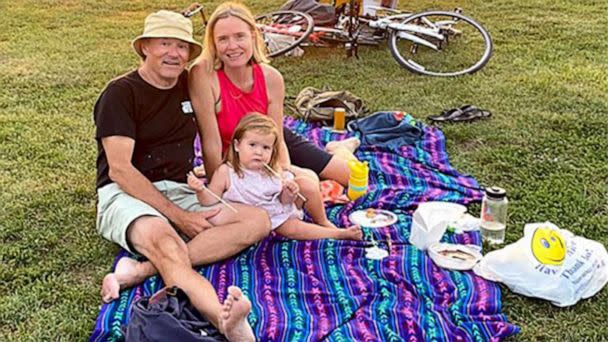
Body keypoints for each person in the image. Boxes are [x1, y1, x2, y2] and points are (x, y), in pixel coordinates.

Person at [93, 10, 270, 341]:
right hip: (125, 192)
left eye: (181, 47)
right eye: (164, 44)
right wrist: (179, 217)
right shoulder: (120, 93)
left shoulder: (190, 84)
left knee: (258, 220)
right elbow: (120, 169)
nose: (173, 54)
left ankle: (141, 270)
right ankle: (225, 321)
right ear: (145, 47)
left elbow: (233, 88)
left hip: (180, 186)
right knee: (169, 245)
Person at [189, 1, 359, 191]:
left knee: (354, 178)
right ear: (213, 43)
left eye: (239, 36)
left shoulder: (271, 78)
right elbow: (210, 141)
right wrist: (217, 189)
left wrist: (283, 171)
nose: (232, 46)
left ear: (253, 36)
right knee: (302, 185)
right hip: (237, 157)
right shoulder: (203, 74)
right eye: (223, 39)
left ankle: (340, 149)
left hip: (269, 144)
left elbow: (277, 137)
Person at [188, 113, 363, 241]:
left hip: (279, 210)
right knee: (291, 229)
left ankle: (323, 221)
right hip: (253, 216)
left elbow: (284, 200)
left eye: (265, 148)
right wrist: (200, 190)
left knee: (307, 184)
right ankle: (336, 234)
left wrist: (290, 192)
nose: (259, 152)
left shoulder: (271, 170)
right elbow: (209, 200)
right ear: (237, 145)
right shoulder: (226, 172)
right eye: (252, 145)